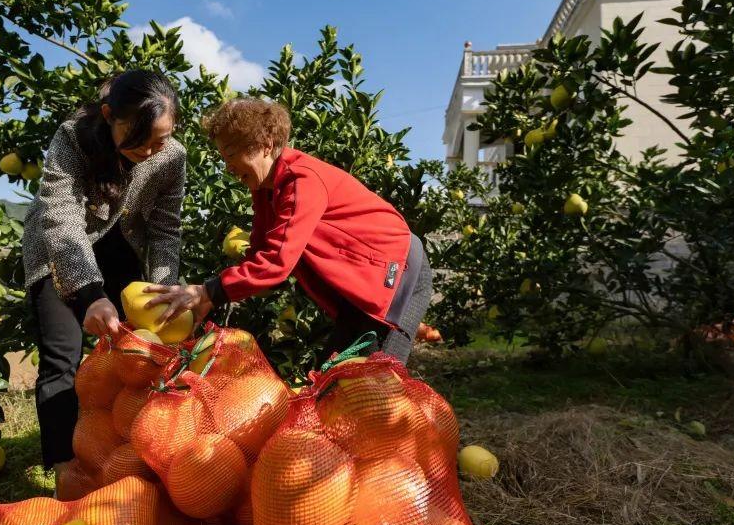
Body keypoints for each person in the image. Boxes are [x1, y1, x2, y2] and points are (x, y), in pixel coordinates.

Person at [147, 97, 432, 364]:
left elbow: (275, 264)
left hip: (395, 275)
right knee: (331, 382)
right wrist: (210, 299)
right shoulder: (266, 191)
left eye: (231, 154)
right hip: (362, 293)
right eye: (223, 158)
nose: (228, 167)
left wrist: (207, 291)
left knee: (368, 387)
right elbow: (260, 255)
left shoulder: (301, 179)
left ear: (265, 145)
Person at [22, 70, 185, 479]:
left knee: (128, 357)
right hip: (58, 248)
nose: (150, 150)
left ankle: (118, 452)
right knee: (63, 357)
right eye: (140, 138)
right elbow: (59, 216)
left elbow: (165, 229)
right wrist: (89, 293)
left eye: (160, 139)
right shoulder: (73, 137)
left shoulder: (172, 156)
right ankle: (66, 468)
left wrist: (164, 289)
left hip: (120, 249)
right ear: (110, 115)